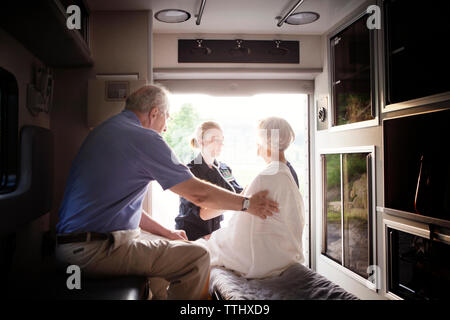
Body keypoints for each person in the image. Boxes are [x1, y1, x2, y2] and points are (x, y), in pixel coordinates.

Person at [54, 85, 279, 300]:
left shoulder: (106, 130)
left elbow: (122, 210)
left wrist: (169, 234)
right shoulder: (144, 137)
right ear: (154, 113)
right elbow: (198, 194)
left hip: (74, 248)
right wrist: (248, 204)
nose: (166, 126)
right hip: (94, 252)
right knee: (197, 257)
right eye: (167, 117)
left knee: (169, 253)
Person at [197, 117, 305, 279]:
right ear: (201, 141)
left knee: (201, 250)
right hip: (286, 254)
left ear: (267, 144)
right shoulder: (287, 173)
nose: (256, 151)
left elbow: (239, 231)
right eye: (214, 140)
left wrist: (217, 238)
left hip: (264, 259)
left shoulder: (263, 177)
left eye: (258, 145)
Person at [175, 121, 243, 240]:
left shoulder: (224, 169)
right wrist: (236, 203)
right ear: (201, 141)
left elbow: (239, 193)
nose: (220, 144)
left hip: (213, 235)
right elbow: (204, 214)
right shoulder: (190, 171)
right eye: (215, 140)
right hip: (190, 236)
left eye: (221, 140)